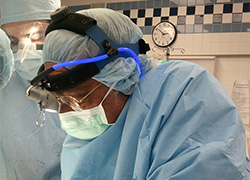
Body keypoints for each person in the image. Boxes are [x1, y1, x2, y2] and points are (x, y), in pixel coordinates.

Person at [32, 7, 250, 179]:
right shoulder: (83, 138)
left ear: (120, 76)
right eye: (60, 100)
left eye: (78, 98)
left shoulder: (183, 94)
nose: (66, 113)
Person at [0, 0, 66, 179]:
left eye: (35, 36)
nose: (23, 52)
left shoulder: (80, 80)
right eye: (13, 41)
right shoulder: (4, 83)